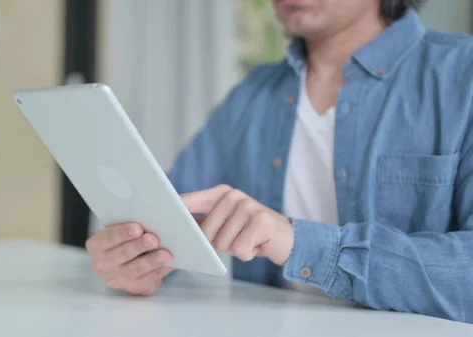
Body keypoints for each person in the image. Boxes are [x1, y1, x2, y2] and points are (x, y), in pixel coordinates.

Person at [85, 0, 473, 323]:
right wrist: (138, 260)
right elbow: (168, 221)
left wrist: (300, 243)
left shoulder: (462, 77)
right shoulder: (253, 95)